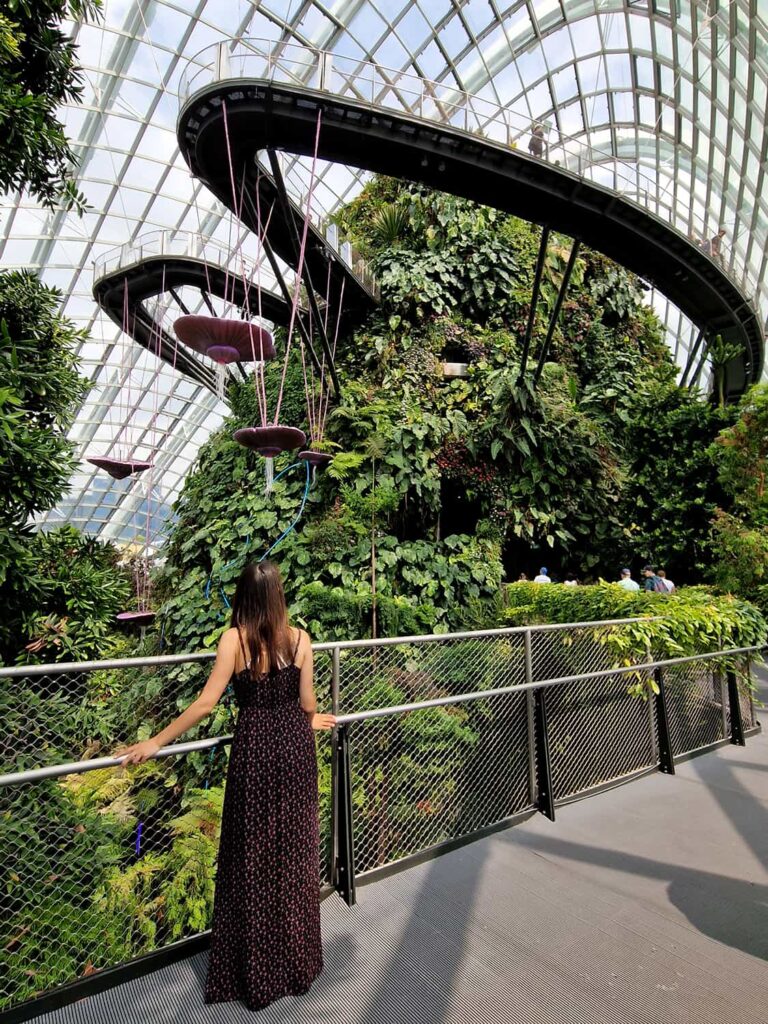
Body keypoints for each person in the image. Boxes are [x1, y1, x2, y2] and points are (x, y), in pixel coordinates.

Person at [114, 560, 335, 1012]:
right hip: (295, 750)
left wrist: (156, 741)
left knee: (248, 860)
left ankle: (253, 973)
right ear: (278, 597)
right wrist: (311, 720)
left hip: (255, 754)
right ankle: (296, 965)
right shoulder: (301, 640)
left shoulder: (234, 640)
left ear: (243, 597)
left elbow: (206, 702)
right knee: (292, 856)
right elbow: (308, 703)